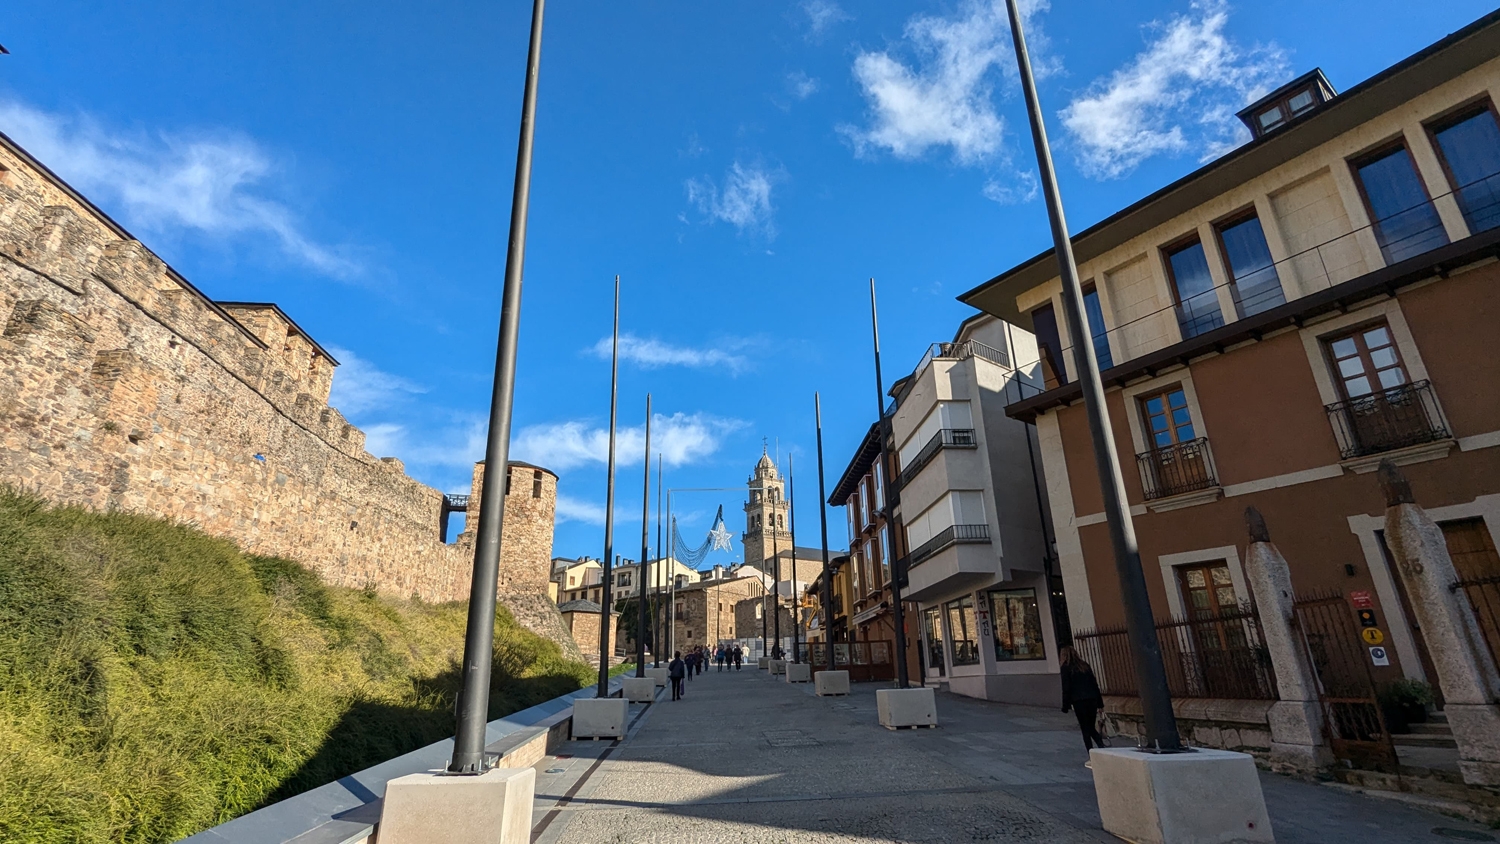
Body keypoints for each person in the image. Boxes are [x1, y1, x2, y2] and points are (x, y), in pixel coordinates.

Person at [1060, 645, 1108, 756]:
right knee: (1090, 726)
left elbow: (1066, 687)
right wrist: (1100, 703)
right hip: (1092, 699)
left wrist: (1065, 705)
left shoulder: (1066, 668)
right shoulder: (1084, 665)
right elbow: (1094, 684)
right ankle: (1101, 747)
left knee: (1085, 728)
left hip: (1079, 701)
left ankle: (1091, 752)